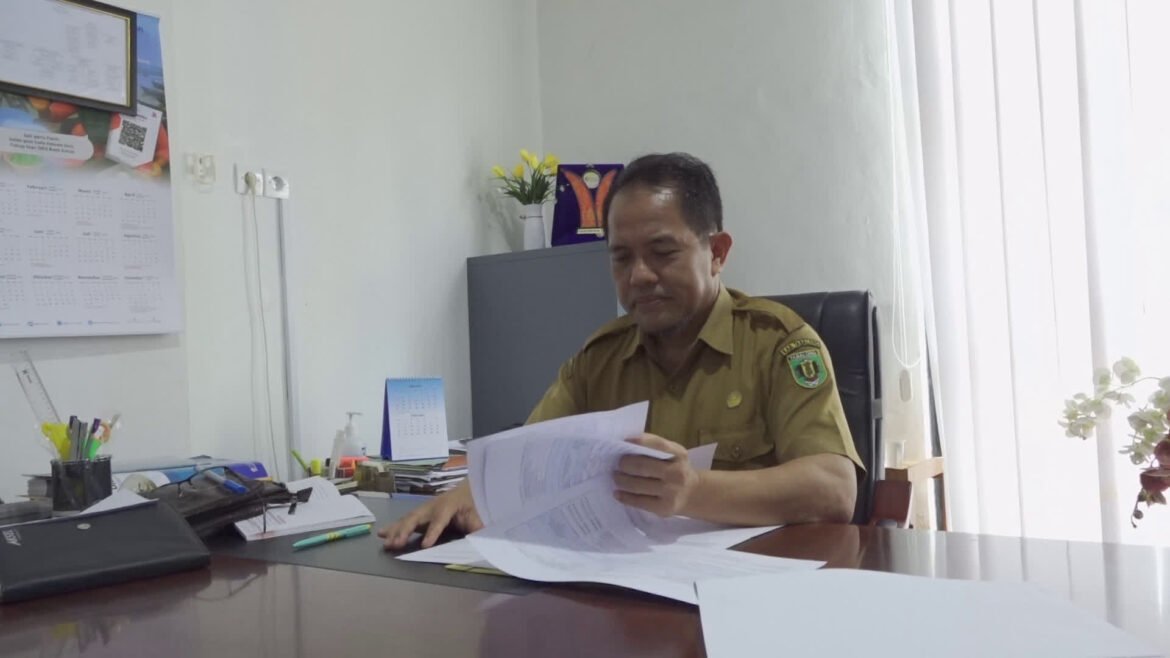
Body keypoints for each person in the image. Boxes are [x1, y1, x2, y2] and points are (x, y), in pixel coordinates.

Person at [381, 153, 862, 550]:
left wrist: (695, 490)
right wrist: (471, 494)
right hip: (625, 593)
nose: (639, 276)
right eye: (621, 258)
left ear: (717, 252)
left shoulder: (778, 344)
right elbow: (528, 459)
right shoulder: (600, 359)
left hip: (751, 593)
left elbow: (836, 489)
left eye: (663, 253)